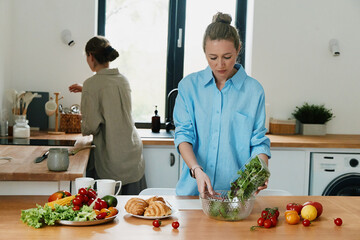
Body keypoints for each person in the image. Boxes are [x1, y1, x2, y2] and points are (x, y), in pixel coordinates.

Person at [173, 12, 271, 196]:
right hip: (193, 193)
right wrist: (196, 170)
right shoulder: (188, 87)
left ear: (239, 49)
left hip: (236, 197)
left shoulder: (254, 91)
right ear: (204, 52)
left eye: (227, 56)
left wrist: (261, 169)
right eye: (212, 57)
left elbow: (258, 142)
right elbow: (183, 135)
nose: (220, 65)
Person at [69, 36, 146, 195]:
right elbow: (109, 95)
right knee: (135, 210)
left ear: (90, 56)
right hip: (132, 153)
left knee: (109, 212)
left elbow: (90, 127)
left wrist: (87, 94)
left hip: (112, 158)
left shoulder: (92, 84)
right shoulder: (122, 80)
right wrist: (86, 90)